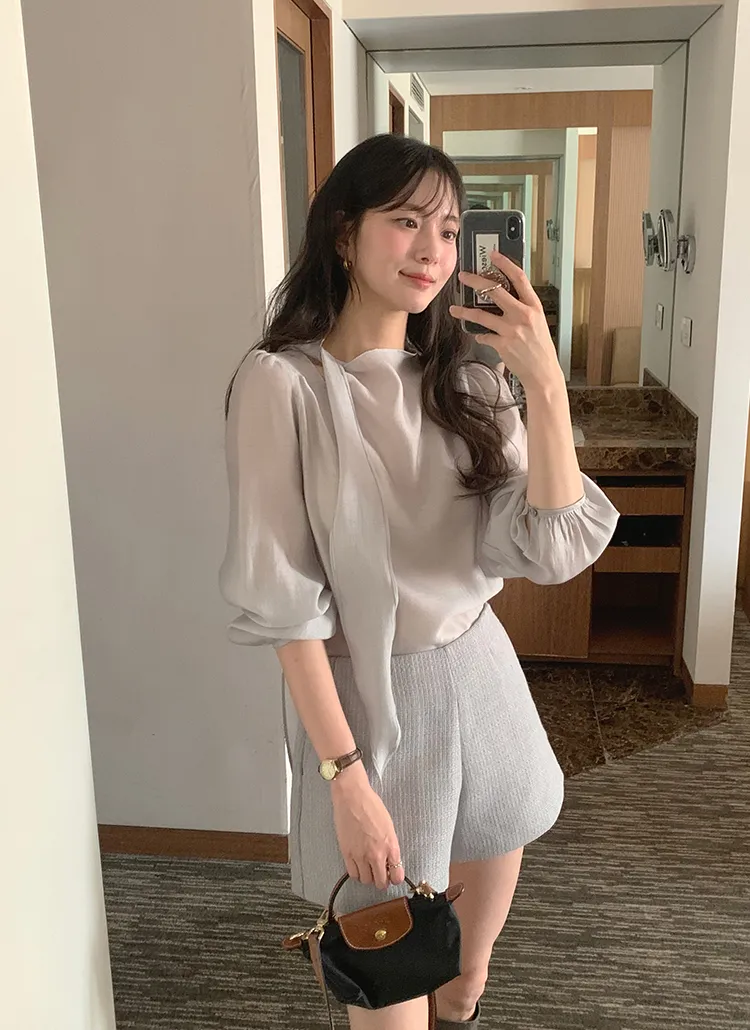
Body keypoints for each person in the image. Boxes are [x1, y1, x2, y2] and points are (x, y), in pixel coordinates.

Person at [219, 134, 618, 1030]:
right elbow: (287, 607)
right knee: (389, 989)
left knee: (466, 974)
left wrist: (546, 386)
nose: (432, 248)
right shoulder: (282, 386)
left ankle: (463, 997)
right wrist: (345, 778)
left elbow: (551, 547)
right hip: (370, 712)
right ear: (343, 234)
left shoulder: (467, 381)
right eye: (405, 221)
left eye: (447, 228)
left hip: (481, 678)